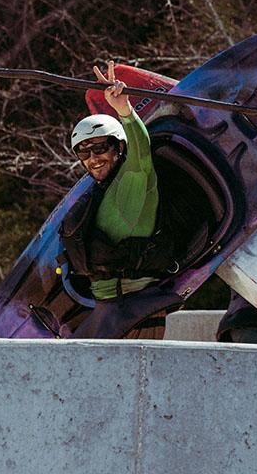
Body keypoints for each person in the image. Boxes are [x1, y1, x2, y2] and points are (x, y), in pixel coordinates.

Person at [60, 61, 184, 338]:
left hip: (133, 309)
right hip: (108, 308)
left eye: (100, 148)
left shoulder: (133, 181)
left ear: (119, 148)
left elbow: (140, 152)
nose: (93, 158)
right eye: (84, 153)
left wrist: (125, 112)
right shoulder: (99, 192)